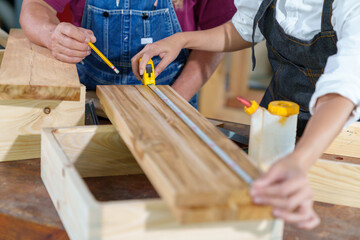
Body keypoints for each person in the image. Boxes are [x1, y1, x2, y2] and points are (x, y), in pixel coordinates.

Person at [131, 0, 360, 230]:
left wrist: (299, 162)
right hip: (278, 116)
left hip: (338, 131)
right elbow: (240, 29)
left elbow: (342, 91)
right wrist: (181, 40)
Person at [19, 0, 236, 108]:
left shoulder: (173, 100)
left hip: (172, 95)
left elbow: (218, 36)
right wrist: (50, 35)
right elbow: (35, 6)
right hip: (88, 99)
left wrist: (173, 103)